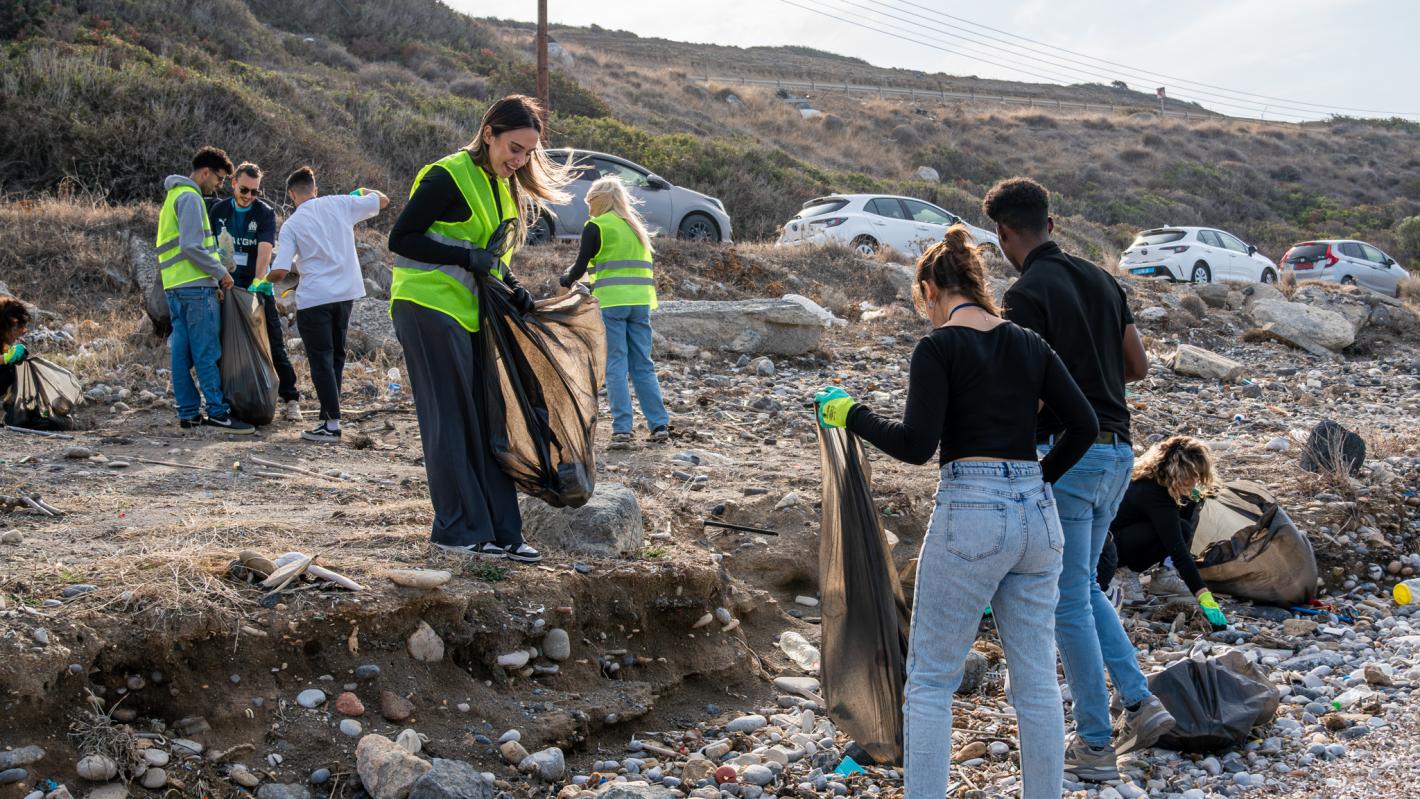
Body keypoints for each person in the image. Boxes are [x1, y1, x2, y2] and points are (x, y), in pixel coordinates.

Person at [815, 226, 1098, 799]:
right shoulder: (1028, 343)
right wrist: (1038, 479)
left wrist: (851, 413)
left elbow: (917, 445)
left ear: (930, 289)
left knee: (930, 681)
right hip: (1037, 519)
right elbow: (1086, 426)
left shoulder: (939, 347)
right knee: (1038, 681)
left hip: (971, 509)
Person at [983, 177, 1170, 780]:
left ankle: (1094, 745)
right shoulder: (1103, 280)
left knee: (1068, 600)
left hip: (1068, 453)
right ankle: (1140, 703)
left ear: (1004, 235)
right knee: (1085, 589)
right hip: (1119, 453)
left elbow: (1028, 394)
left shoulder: (1025, 294)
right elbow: (1137, 367)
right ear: (1052, 224)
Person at [387, 94, 569, 563]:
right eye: (515, 148)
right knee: (450, 419)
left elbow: (489, 252)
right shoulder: (448, 175)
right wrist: (466, 259)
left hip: (470, 313)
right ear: (488, 133)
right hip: (426, 306)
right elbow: (401, 238)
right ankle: (458, 530)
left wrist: (514, 284)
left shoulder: (499, 183)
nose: (521, 160)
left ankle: (504, 532)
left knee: (486, 418)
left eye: (528, 152)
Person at [266, 166, 387, 443]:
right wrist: (360, 192)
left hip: (315, 298)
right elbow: (382, 200)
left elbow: (282, 270)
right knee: (336, 358)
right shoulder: (340, 203)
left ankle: (331, 425)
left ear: (291, 195)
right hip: (345, 295)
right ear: (315, 189)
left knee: (321, 359)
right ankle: (326, 418)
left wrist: (263, 278)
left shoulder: (293, 225)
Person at [558, 176, 670, 446]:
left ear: (599, 200)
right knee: (643, 363)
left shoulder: (596, 226)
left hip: (611, 304)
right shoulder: (634, 227)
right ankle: (659, 426)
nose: (588, 207)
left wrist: (564, 281)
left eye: (590, 201)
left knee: (616, 365)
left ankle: (623, 430)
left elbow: (578, 268)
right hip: (641, 303)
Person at [157, 146, 255, 434]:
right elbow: (191, 247)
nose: (220, 185)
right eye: (220, 178)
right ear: (204, 172)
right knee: (206, 352)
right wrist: (220, 274)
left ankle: (188, 413)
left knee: (181, 352)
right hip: (195, 288)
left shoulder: (172, 197)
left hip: (175, 286)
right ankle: (217, 412)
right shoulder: (190, 198)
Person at [1099, 436, 1227, 628]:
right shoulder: (1153, 493)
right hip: (1108, 549)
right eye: (1191, 475)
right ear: (1177, 471)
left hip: (1124, 535)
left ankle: (1164, 574)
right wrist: (1205, 597)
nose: (1195, 481)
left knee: (1192, 500)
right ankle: (1125, 573)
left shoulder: (1163, 482)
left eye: (1198, 475)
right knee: (1179, 530)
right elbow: (1179, 551)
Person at [209, 161, 302, 421]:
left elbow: (263, 254)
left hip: (256, 288)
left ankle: (291, 396)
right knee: (222, 343)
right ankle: (229, 398)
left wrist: (256, 287)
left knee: (272, 342)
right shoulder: (218, 210)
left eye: (255, 192)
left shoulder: (264, 213)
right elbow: (211, 249)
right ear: (233, 183)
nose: (249, 196)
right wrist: (216, 282)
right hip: (225, 287)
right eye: (245, 190)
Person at [0, 296, 31, 402]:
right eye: (20, 327)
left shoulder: (4, 338)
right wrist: (6, 358)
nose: (22, 332)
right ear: (13, 323)